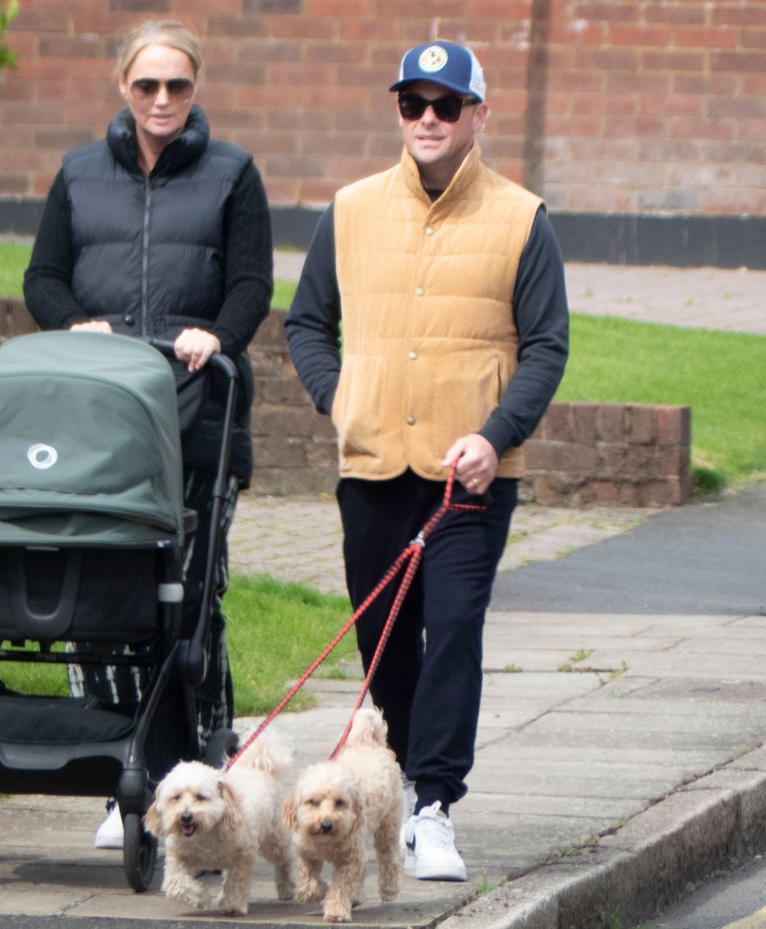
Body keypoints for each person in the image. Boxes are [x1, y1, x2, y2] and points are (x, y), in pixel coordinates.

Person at [284, 39, 569, 882]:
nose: (430, 120)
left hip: (468, 476)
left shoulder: (523, 216)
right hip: (371, 464)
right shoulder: (349, 208)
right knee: (384, 644)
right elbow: (306, 323)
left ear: (480, 113)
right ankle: (407, 778)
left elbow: (547, 345)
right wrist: (341, 398)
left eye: (448, 105)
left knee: (452, 633)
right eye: (414, 104)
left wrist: (495, 432)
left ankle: (435, 804)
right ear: (399, 113)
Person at [23, 19, 273, 850]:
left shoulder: (233, 174)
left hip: (197, 421)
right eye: (146, 86)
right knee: (104, 598)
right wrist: (76, 324)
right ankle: (120, 773)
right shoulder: (79, 173)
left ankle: (205, 767)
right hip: (100, 426)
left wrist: (219, 337)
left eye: (178, 86)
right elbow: (42, 276)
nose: (162, 100)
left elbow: (251, 284)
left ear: (195, 88)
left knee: (192, 604)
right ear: (122, 88)